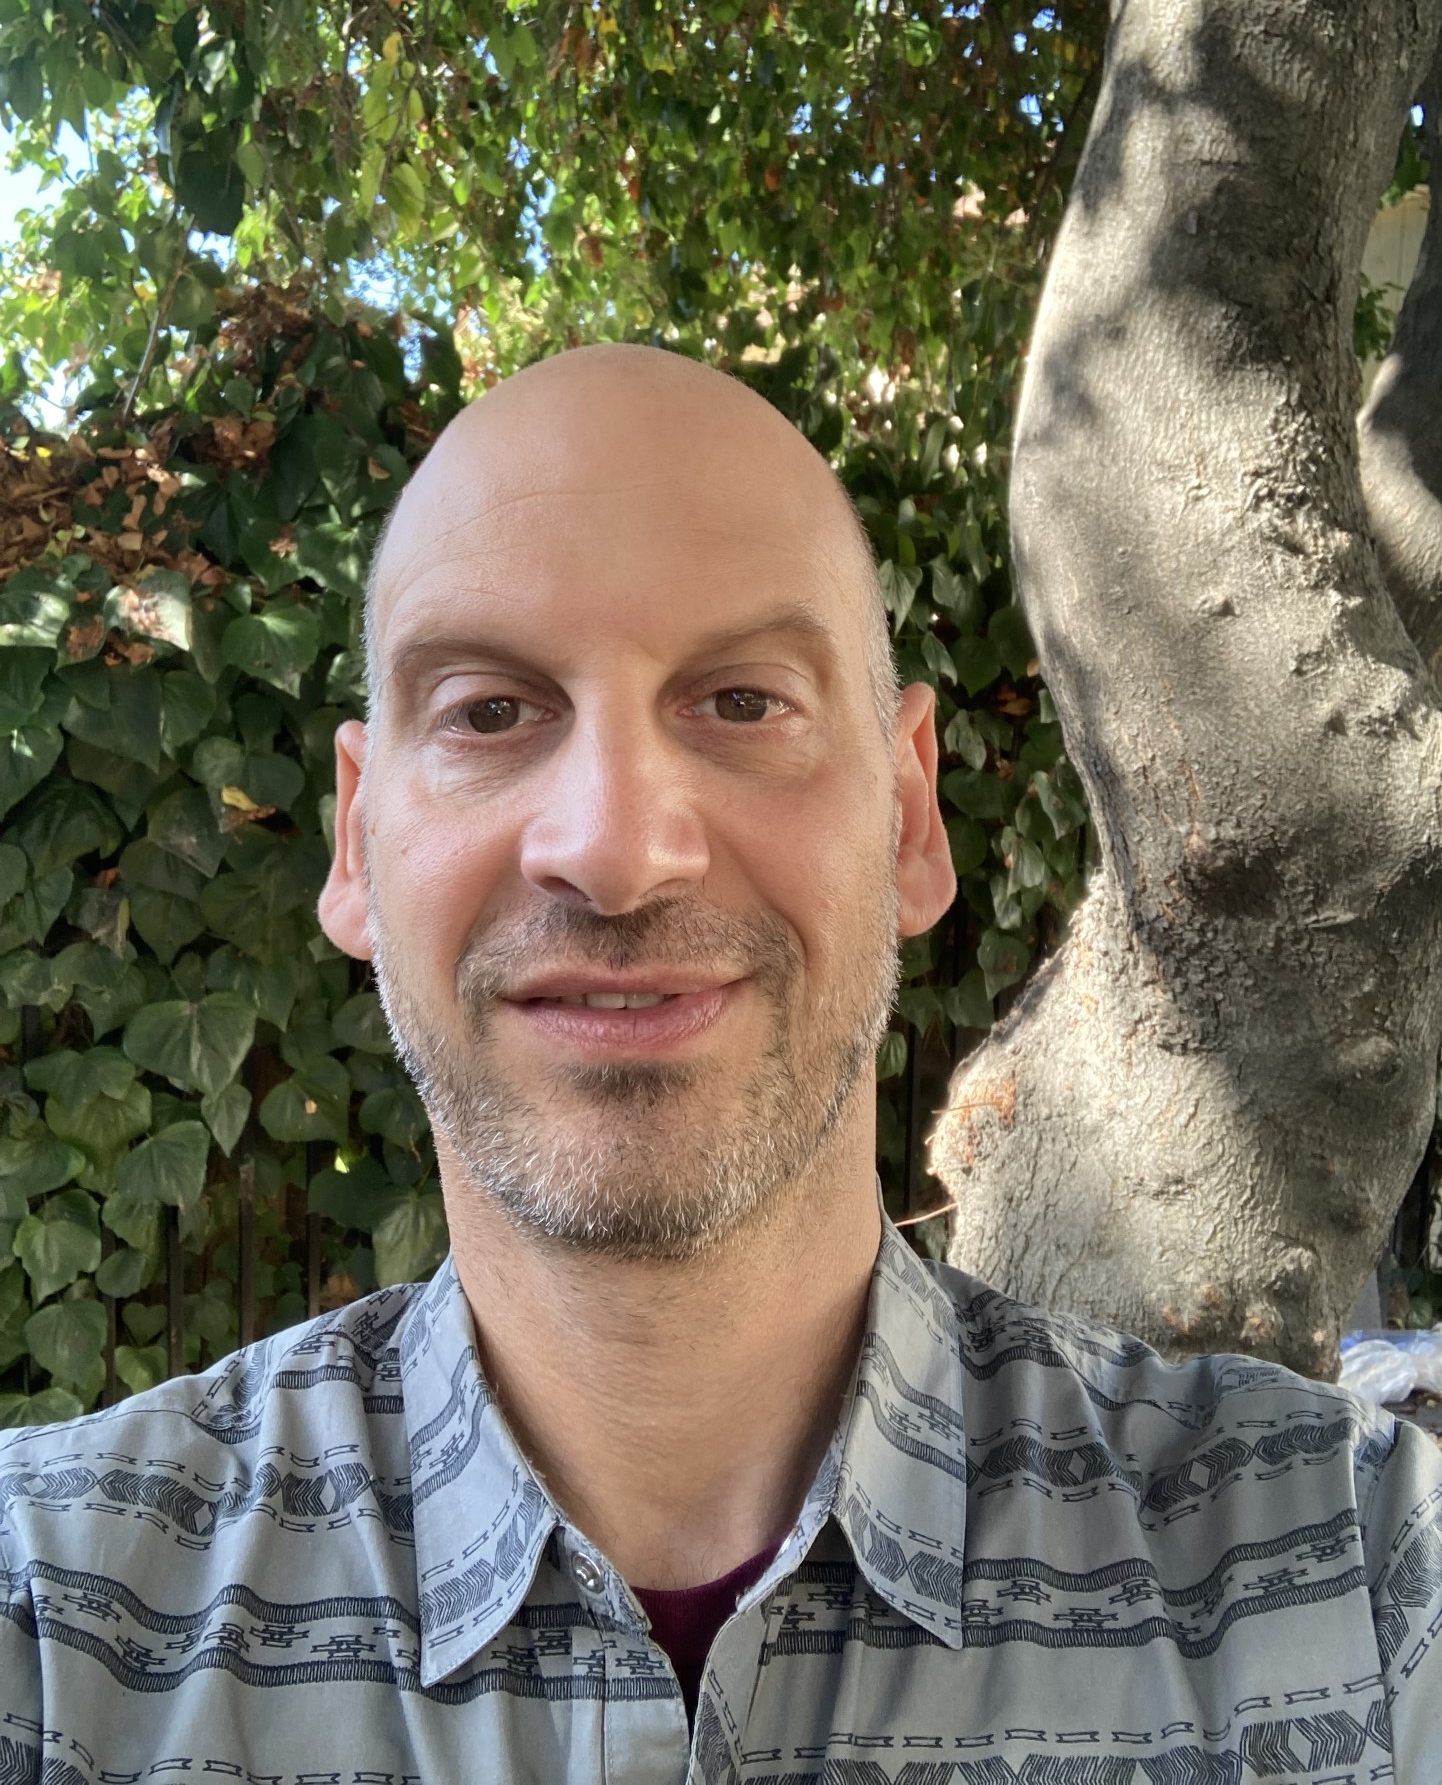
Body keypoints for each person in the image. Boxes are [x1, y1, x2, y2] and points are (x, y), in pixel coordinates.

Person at [2, 344, 1439, 1784]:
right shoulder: (53, 1626)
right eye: (490, 712)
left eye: (742, 702)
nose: (617, 852)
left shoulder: (1358, 1582)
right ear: (358, 843)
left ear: (908, 818)